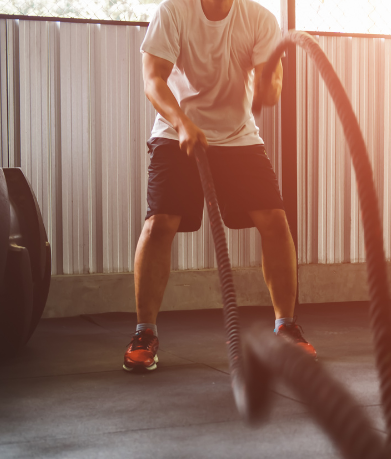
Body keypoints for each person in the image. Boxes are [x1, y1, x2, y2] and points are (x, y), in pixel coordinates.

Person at [123, 0, 314, 371]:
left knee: (274, 220)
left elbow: (271, 90)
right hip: (177, 132)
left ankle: (286, 327)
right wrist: (181, 124)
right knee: (160, 223)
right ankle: (144, 333)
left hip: (238, 137)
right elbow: (153, 79)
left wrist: (269, 83)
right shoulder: (173, 12)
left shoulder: (259, 19)